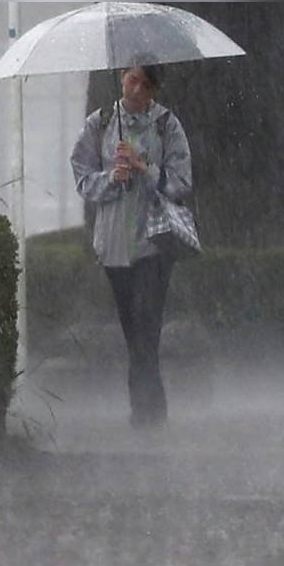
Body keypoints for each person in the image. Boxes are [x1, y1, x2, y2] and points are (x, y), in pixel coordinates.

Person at [70, 59, 193, 429]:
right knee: (133, 329)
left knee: (146, 324)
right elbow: (82, 175)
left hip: (153, 243)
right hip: (113, 245)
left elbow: (181, 182)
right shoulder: (101, 123)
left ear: (154, 89)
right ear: (122, 79)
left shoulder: (166, 125)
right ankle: (149, 407)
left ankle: (146, 412)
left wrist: (144, 169)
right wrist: (112, 177)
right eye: (130, 80)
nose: (134, 90)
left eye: (143, 85)